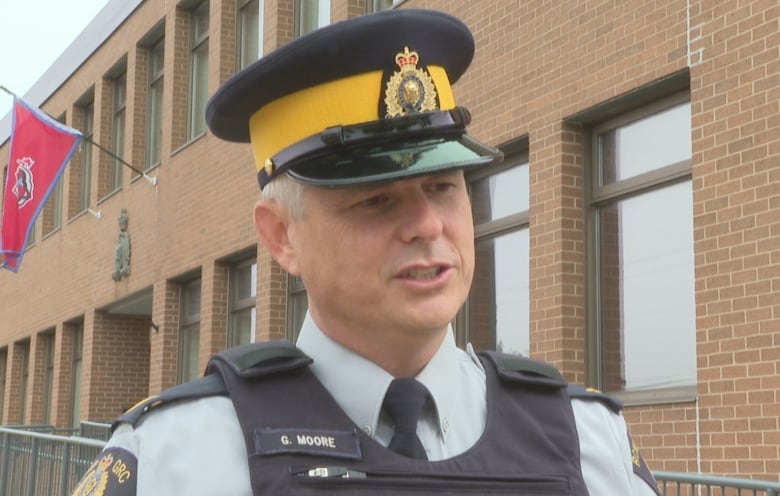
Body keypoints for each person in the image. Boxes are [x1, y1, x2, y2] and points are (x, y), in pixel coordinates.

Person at [72, 8, 662, 496]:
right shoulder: (176, 460)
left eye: (443, 186)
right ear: (281, 236)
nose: (428, 224)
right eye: (377, 200)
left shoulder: (589, 444)